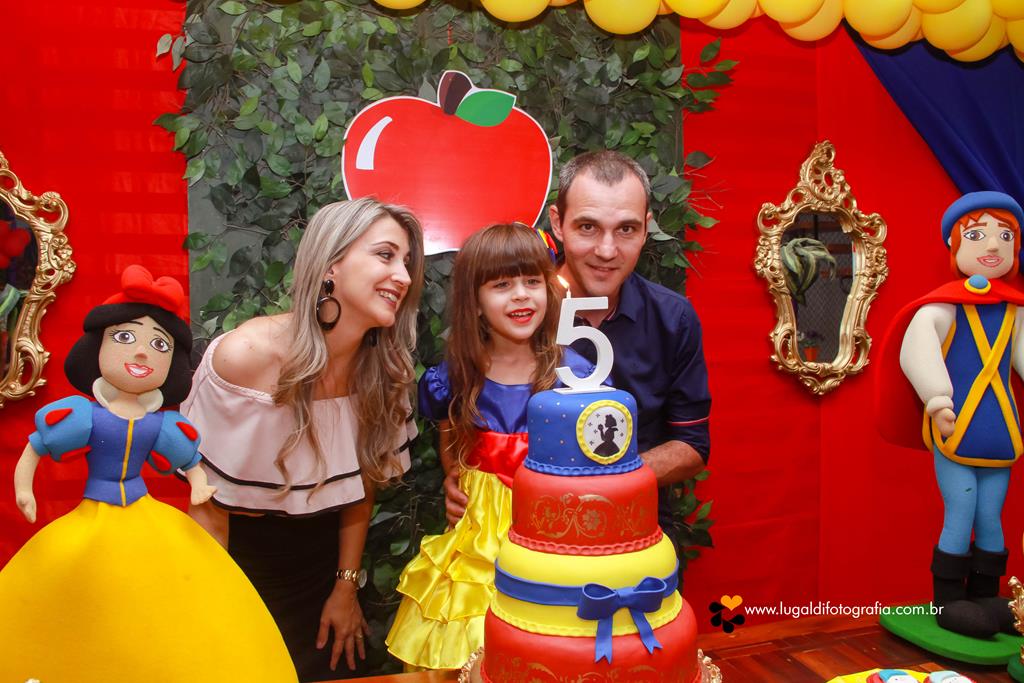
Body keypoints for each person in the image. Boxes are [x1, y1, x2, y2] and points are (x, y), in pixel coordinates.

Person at [0, 264, 297, 683]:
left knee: (163, 605)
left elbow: (190, 462)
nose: (141, 351)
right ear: (97, 347)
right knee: (86, 597)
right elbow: (36, 448)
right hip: (93, 520)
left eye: (159, 344)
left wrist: (199, 484)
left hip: (147, 515)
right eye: (125, 337)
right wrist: (23, 488)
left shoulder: (159, 425)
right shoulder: (85, 416)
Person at [183, 198, 424, 681]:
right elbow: (209, 507)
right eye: (384, 255)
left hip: (323, 569)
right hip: (240, 564)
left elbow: (361, 486)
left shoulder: (387, 369)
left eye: (406, 262)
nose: (402, 275)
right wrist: (218, 616)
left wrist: (345, 587)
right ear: (331, 262)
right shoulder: (245, 358)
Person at [442, 151, 712, 535]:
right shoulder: (512, 310)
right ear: (558, 223)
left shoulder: (673, 318)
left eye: (626, 229)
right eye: (587, 227)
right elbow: (456, 403)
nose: (606, 250)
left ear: (647, 228)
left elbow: (692, 444)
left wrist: (603, 480)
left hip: (630, 528)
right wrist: (457, 475)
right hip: (508, 531)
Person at [385, 223, 595, 670]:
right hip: (478, 538)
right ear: (475, 302)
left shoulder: (577, 377)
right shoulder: (454, 378)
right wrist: (455, 479)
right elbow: (451, 441)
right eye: (502, 285)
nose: (521, 295)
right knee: (472, 646)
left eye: (532, 281)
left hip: (550, 533)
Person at [878, 191, 1024, 639]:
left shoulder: (1016, 312)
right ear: (956, 247)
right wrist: (938, 400)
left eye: (1005, 235)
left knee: (992, 513)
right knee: (960, 508)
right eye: (978, 235)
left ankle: (984, 594)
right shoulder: (941, 306)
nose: (994, 246)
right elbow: (917, 351)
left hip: (999, 430)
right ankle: (947, 599)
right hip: (958, 426)